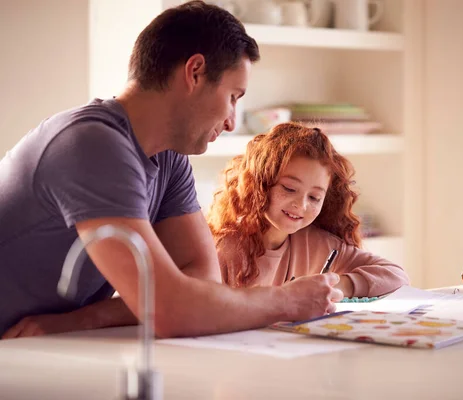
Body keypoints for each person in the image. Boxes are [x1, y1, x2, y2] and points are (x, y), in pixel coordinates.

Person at [0, 1, 343, 340]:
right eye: (233, 97)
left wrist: (85, 318)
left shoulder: (168, 157)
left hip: (34, 347)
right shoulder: (91, 144)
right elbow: (171, 310)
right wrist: (285, 300)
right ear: (194, 72)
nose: (231, 121)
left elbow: (201, 284)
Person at [207, 122, 410, 297]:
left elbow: (397, 276)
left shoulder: (315, 243)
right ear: (259, 184)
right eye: (289, 188)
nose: (301, 205)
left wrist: (336, 285)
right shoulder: (224, 248)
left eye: (314, 197)